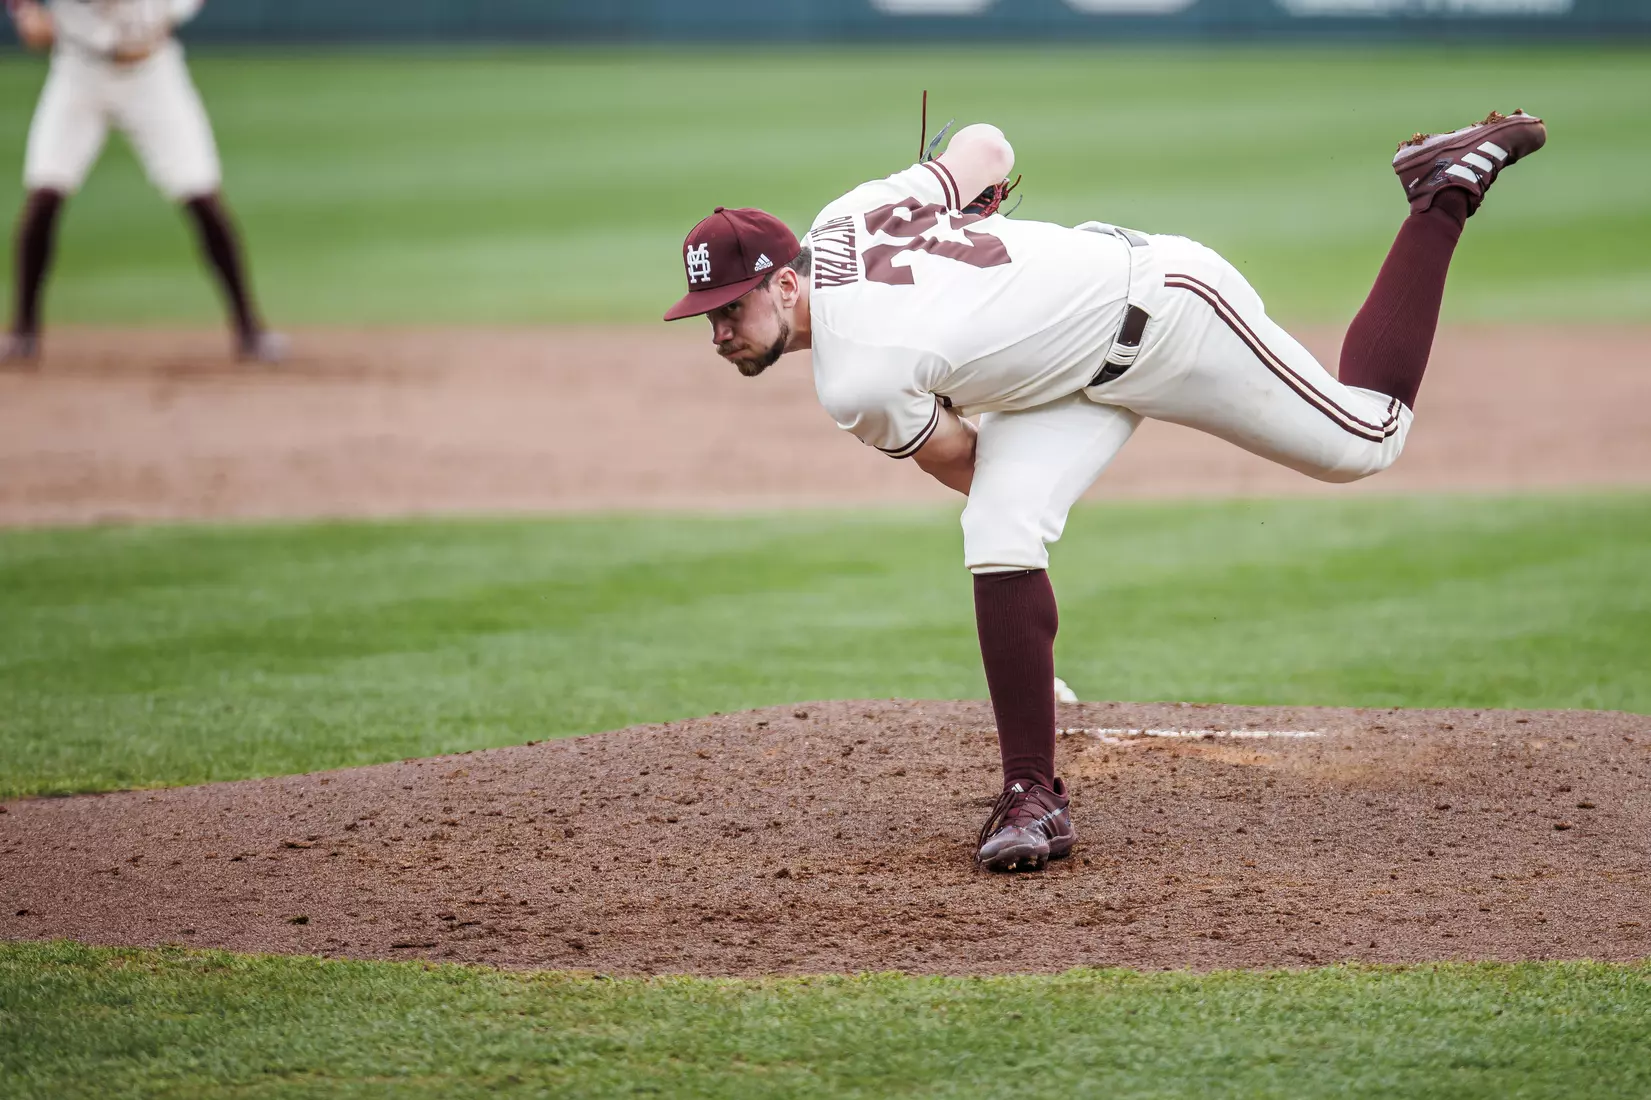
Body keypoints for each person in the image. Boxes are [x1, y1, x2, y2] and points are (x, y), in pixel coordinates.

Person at [662, 109, 1546, 872]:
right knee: (1003, 529)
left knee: (1365, 442)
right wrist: (965, 205)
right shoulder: (848, 212)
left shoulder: (854, 384)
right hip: (1061, 377)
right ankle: (1029, 797)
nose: (719, 332)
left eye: (733, 309)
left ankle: (1442, 192)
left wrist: (970, 403)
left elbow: (965, 462)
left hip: (1162, 312)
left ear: (786, 281)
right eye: (710, 318)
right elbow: (986, 145)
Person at [2, 0, 283, 366]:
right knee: (44, 192)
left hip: (153, 76)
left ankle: (250, 330)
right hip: (78, 76)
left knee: (201, 194)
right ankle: (23, 332)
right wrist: (23, 12)